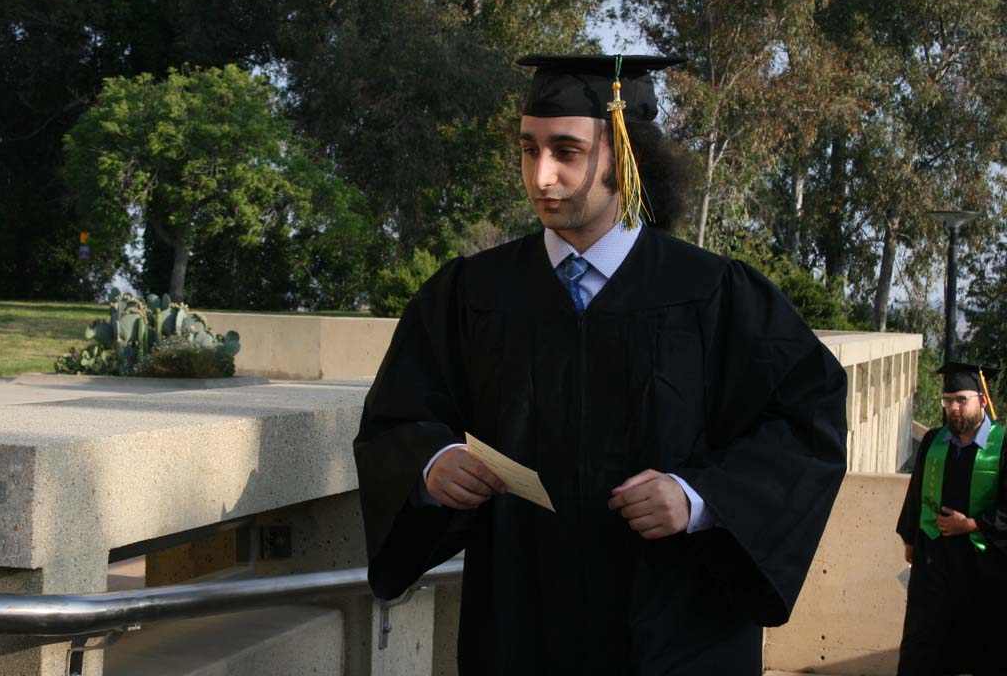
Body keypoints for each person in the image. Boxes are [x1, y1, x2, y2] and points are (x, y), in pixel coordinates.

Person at [353, 54, 848, 675]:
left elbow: (807, 422)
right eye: (529, 149)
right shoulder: (472, 294)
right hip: (519, 628)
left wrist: (699, 497)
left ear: (624, 156)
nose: (542, 175)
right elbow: (399, 415)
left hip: (677, 632)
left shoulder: (714, 294)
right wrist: (433, 462)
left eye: (567, 151)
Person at [896, 362, 1007, 676]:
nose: (953, 408)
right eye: (947, 401)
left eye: (961, 399)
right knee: (923, 645)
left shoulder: (1003, 445)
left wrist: (972, 524)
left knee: (986, 646)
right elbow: (917, 490)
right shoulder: (933, 441)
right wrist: (909, 538)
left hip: (984, 567)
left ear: (982, 401)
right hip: (935, 562)